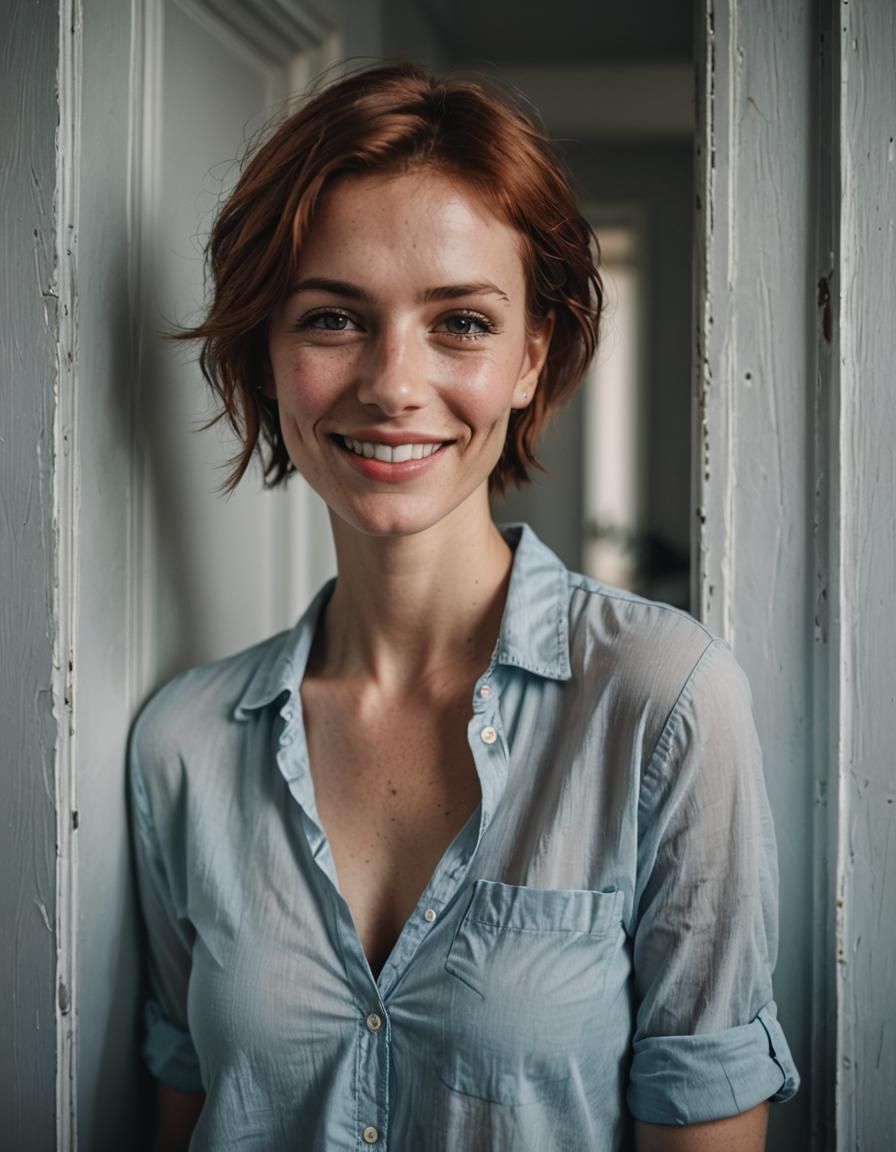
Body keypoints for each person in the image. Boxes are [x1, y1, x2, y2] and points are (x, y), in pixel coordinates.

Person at [129, 63, 799, 1152]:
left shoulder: (665, 704)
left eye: (461, 323)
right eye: (334, 317)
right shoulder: (183, 745)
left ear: (532, 353)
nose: (394, 384)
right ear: (266, 348)